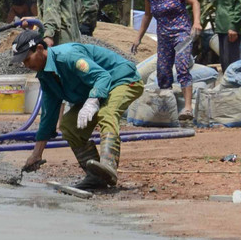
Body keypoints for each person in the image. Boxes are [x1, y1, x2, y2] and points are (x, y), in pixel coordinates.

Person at [12, 30, 143, 190]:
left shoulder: (67, 56)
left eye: (27, 59)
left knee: (106, 113)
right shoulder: (45, 77)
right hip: (97, 91)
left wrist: (92, 101)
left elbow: (102, 77)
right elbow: (48, 117)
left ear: (39, 48)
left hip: (121, 80)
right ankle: (96, 177)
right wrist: (36, 154)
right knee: (68, 125)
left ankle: (108, 165)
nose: (26, 65)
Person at [131, 0, 202, 120]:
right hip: (163, 37)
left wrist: (196, 22)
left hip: (181, 34)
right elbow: (148, 15)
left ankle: (188, 108)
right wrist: (138, 37)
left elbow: (194, 2)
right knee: (163, 71)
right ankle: (166, 108)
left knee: (182, 67)